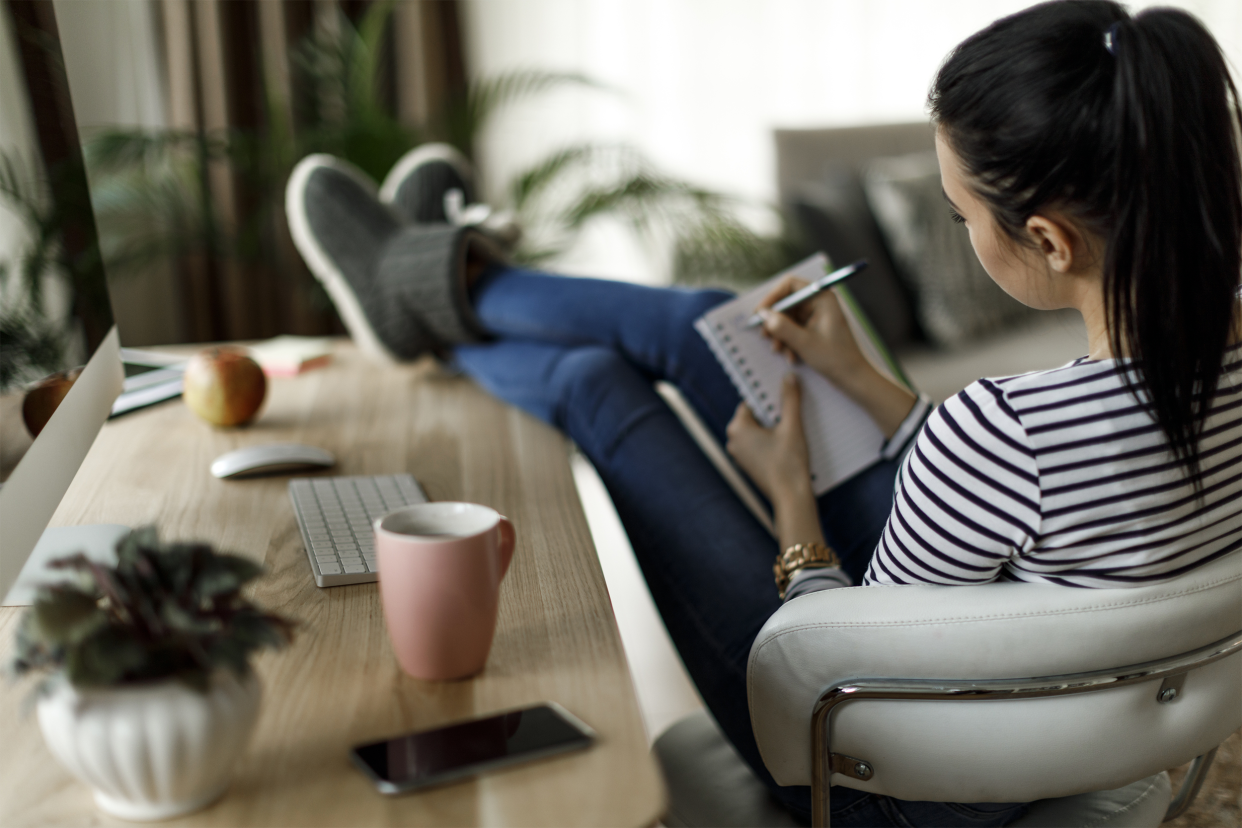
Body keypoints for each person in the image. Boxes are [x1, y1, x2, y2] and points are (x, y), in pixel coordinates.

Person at [285, 2, 1242, 824]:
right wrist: (859, 377)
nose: (964, 228)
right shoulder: (1145, 389)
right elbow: (1026, 506)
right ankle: (440, 286)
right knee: (716, 322)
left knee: (595, 386)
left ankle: (428, 297)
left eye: (964, 217)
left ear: (1048, 238)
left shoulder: (1002, 428)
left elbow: (849, 659)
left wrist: (791, 500)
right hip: (1055, 711)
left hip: (900, 776)